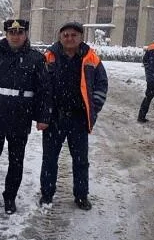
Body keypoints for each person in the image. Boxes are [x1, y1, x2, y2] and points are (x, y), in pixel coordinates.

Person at [0, 19, 51, 214]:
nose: (15, 36)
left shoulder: (36, 59)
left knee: (16, 161)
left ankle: (9, 198)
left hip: (20, 117)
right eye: (12, 32)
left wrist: (43, 117)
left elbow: (44, 91)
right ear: (6, 34)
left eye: (19, 32)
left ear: (25, 35)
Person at [40, 22, 108, 211]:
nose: (69, 38)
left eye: (73, 35)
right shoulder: (49, 57)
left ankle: (81, 196)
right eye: (66, 35)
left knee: (80, 161)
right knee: (49, 159)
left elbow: (102, 85)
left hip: (78, 119)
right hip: (55, 118)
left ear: (80, 37)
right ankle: (46, 195)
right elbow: (40, 86)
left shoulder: (91, 58)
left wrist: (94, 107)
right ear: (60, 37)